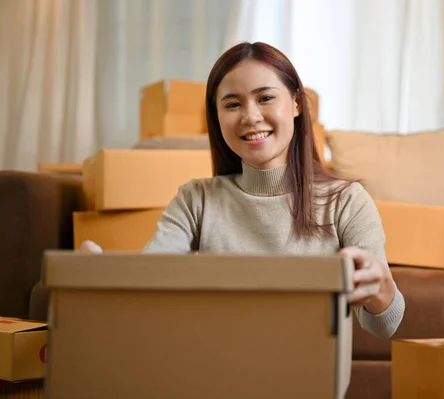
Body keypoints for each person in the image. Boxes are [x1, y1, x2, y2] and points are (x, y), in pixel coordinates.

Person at [81, 41, 405, 339]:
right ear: (217, 117)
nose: (251, 117)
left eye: (265, 98)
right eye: (232, 104)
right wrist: (103, 279)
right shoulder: (197, 199)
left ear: (295, 103)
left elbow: (383, 326)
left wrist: (382, 291)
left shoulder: (346, 202)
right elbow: (149, 282)